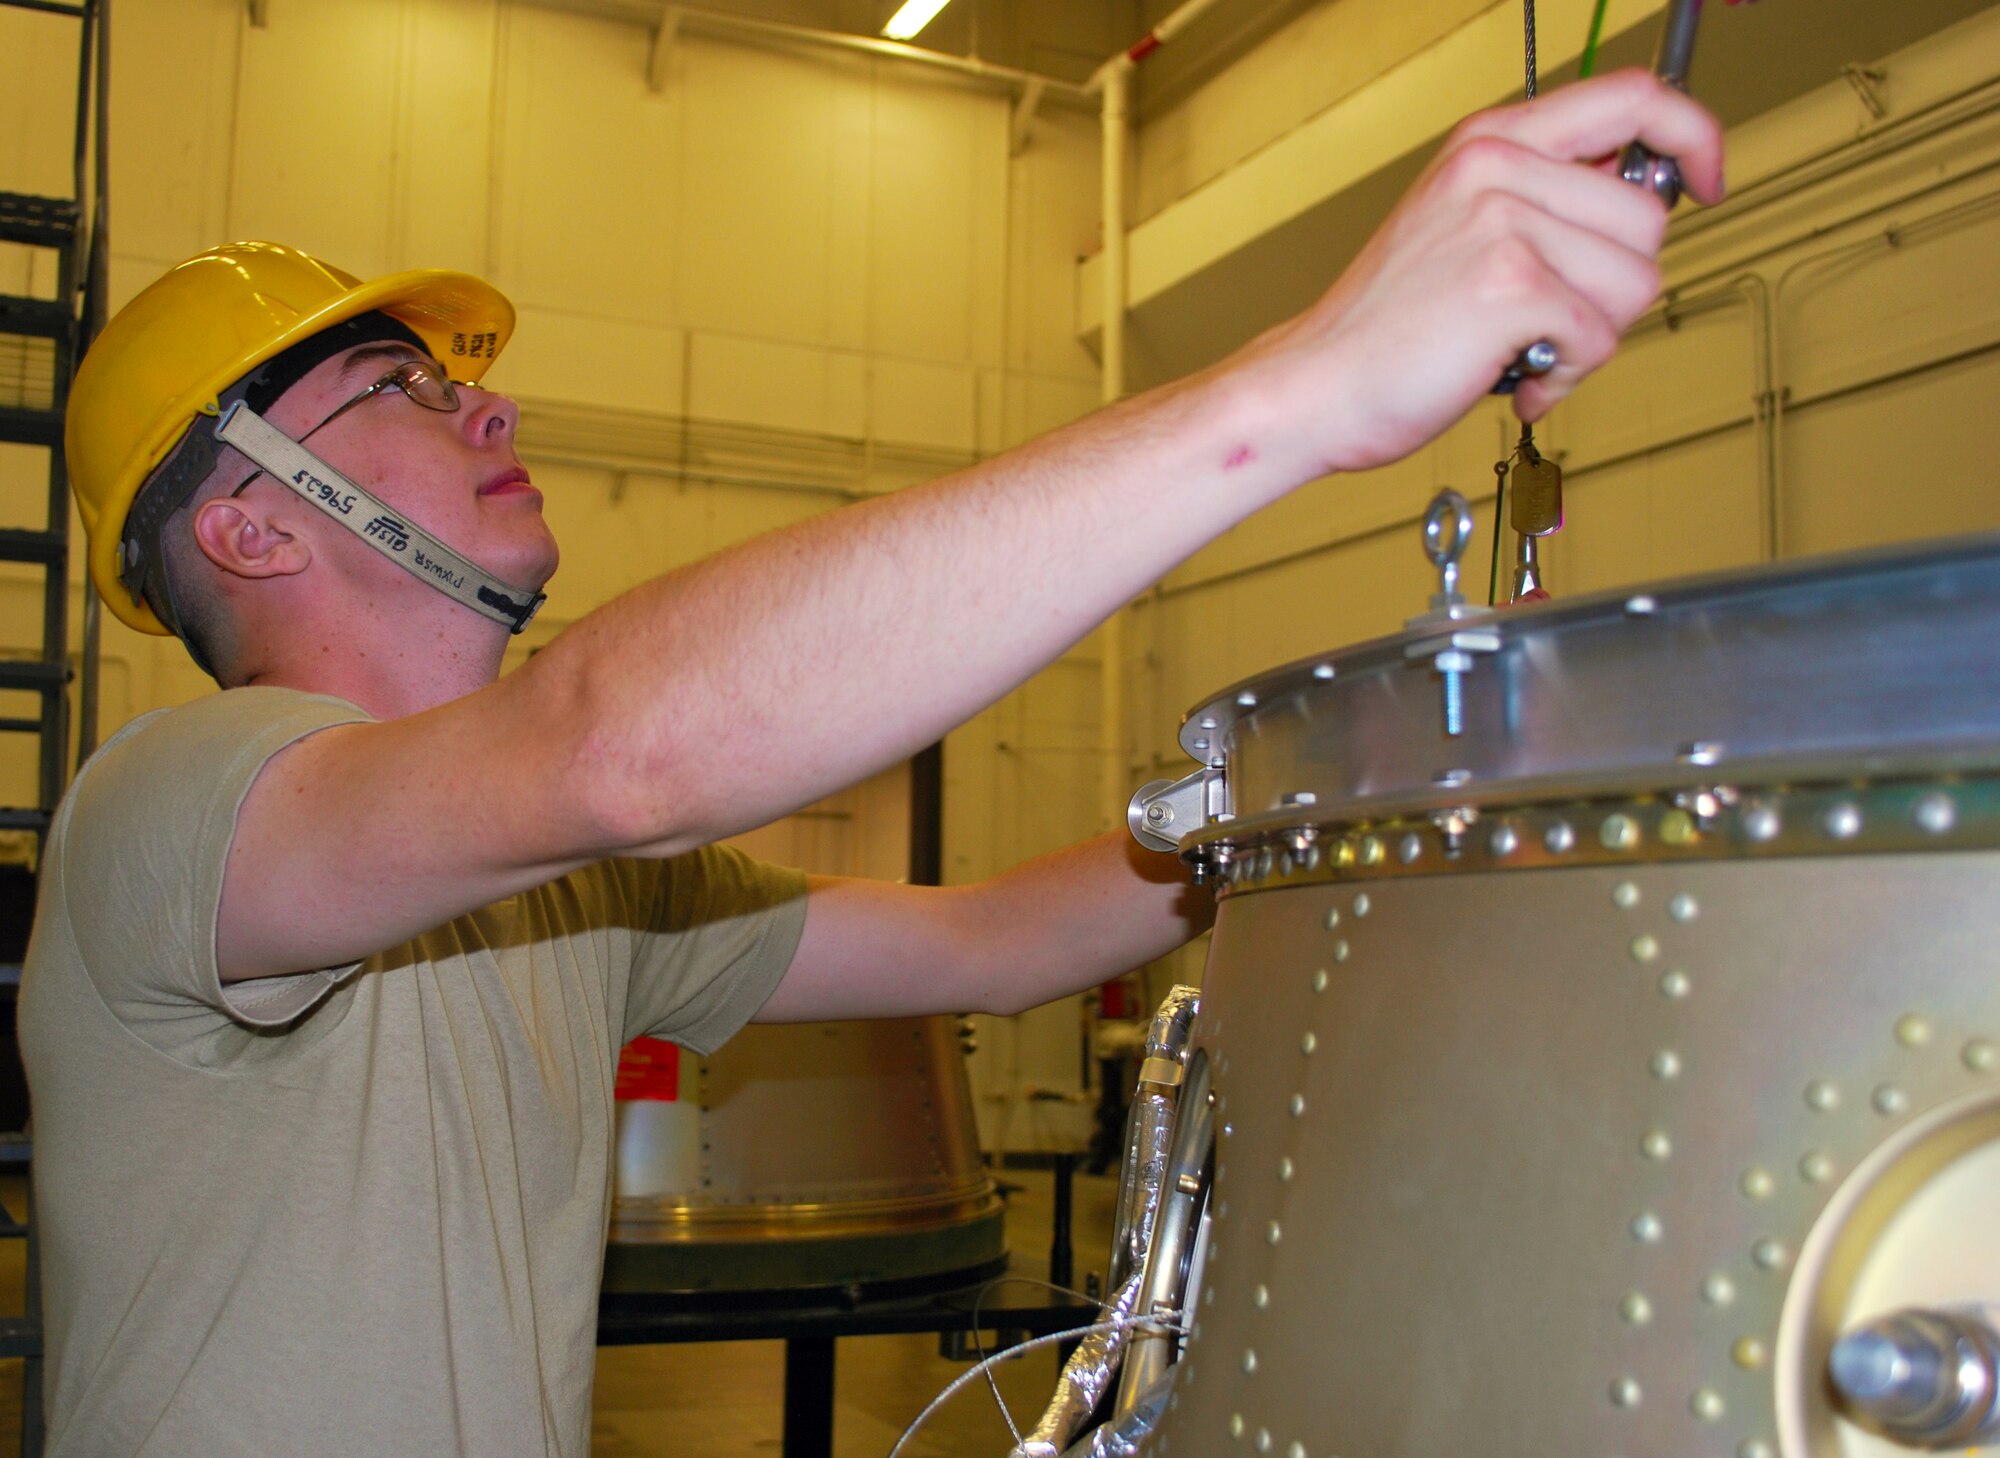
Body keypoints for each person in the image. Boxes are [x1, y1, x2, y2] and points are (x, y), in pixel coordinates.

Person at [19, 71, 1722, 1456]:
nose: (494, 409)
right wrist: (1314, 380)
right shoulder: (172, 812)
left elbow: (981, 938)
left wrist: (1324, 805)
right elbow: (614, 744)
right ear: (249, 522)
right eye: (399, 383)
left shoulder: (577, 897)